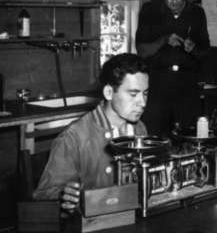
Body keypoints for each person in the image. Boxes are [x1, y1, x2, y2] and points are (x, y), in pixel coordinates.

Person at [33, 53, 149, 213]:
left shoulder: (139, 129)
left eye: (145, 94)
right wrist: (62, 197)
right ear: (109, 92)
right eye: (133, 94)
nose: (142, 103)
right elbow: (43, 196)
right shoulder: (74, 137)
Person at [136, 0, 210, 136]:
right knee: (154, 136)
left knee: (188, 136)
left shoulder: (197, 13)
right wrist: (163, 40)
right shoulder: (149, 11)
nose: (174, 1)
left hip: (187, 85)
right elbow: (142, 51)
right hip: (157, 84)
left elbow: (205, 52)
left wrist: (194, 49)